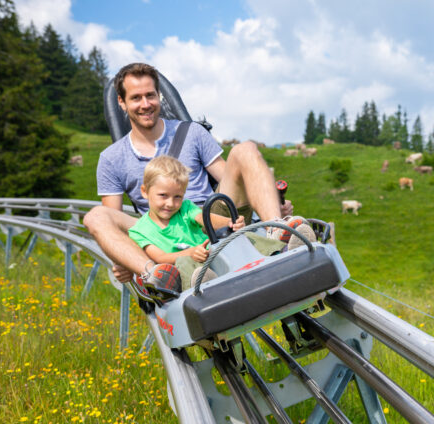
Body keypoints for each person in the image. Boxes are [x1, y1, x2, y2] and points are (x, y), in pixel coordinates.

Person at [83, 62, 314, 289]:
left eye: (150, 95)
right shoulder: (111, 158)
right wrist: (121, 259)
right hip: (160, 228)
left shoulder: (191, 132)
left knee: (245, 149)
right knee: (95, 217)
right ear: (121, 102)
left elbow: (231, 177)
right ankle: (155, 275)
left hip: (209, 212)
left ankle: (279, 231)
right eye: (136, 98)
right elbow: (115, 219)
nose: (145, 104)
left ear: (159, 96)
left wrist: (267, 199)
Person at [128, 154, 247, 293]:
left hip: (210, 256)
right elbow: (160, 258)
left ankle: (273, 248)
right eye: (163, 195)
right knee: (184, 262)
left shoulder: (185, 208)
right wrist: (189, 253)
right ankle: (204, 280)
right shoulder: (139, 230)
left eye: (177, 196)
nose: (171, 203)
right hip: (184, 271)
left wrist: (230, 222)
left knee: (241, 235)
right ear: (145, 191)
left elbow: (204, 218)